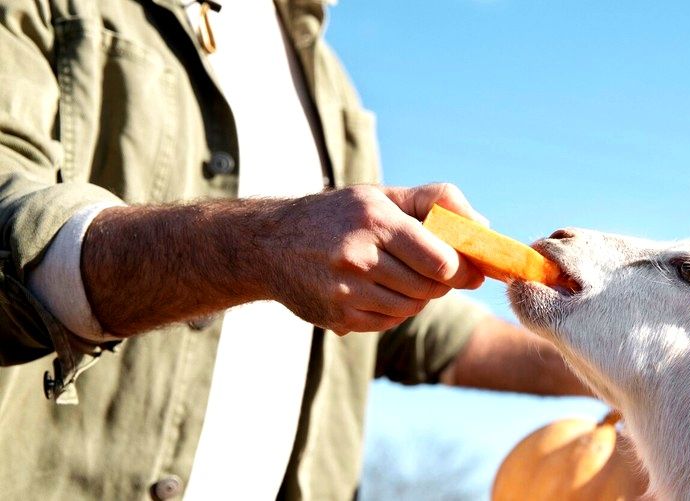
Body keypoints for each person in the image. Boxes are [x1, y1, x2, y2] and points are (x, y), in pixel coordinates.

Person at [0, 1, 589, 499]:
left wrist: (622, 354)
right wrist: (263, 245)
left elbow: (408, 330)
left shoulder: (328, 86)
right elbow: (13, 228)